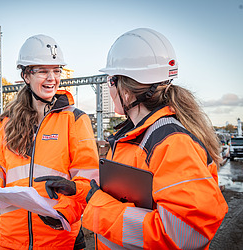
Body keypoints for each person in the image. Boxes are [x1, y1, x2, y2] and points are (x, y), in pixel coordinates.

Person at [81, 28, 228, 249]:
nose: (109, 89)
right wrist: (80, 192)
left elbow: (186, 233)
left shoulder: (173, 143)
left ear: (127, 90)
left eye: (111, 81)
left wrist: (100, 208)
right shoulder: (134, 136)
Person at [0, 34, 99, 249]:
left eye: (56, 70)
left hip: (60, 241)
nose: (52, 78)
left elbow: (87, 179)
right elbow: (1, 166)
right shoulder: (7, 123)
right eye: (43, 71)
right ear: (26, 75)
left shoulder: (74, 119)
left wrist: (64, 212)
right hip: (12, 240)